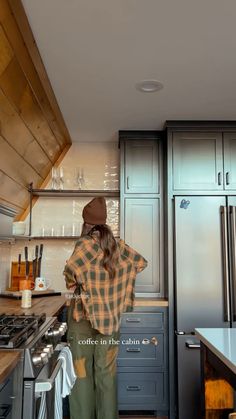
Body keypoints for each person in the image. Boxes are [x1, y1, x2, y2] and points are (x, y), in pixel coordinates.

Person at [63, 197, 147, 419]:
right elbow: (140, 263)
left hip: (82, 319)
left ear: (86, 223)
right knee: (106, 374)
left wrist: (88, 283)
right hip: (110, 319)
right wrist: (114, 287)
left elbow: (71, 273)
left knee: (81, 375)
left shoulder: (85, 245)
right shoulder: (117, 245)